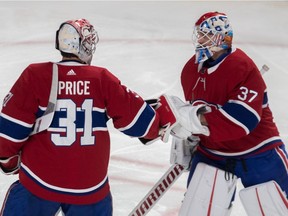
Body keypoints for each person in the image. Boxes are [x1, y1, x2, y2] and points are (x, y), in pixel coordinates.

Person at [0, 18, 174, 216]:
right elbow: (141, 123)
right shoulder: (101, 79)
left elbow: (9, 132)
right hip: (89, 188)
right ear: (83, 46)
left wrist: (9, 162)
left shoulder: (36, 75)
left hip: (39, 183)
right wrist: (160, 119)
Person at [167, 11, 288, 215]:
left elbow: (240, 122)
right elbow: (199, 112)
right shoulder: (191, 70)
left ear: (219, 38)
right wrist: (188, 138)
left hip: (259, 152)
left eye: (204, 35)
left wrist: (189, 120)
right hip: (213, 154)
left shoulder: (243, 68)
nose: (199, 40)